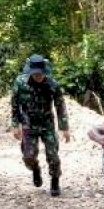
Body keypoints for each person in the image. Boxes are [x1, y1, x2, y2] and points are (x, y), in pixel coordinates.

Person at [10, 54, 70, 196]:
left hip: (47, 125)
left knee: (53, 156)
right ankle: (36, 169)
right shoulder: (20, 83)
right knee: (28, 157)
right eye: (35, 74)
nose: (38, 76)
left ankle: (55, 181)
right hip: (28, 125)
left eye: (40, 74)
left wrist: (65, 128)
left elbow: (60, 106)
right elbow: (14, 104)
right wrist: (15, 124)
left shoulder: (52, 85)